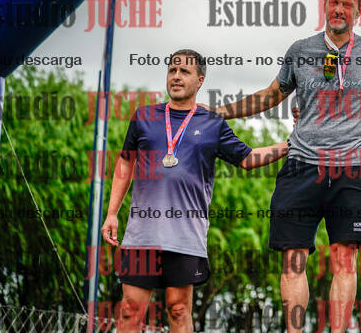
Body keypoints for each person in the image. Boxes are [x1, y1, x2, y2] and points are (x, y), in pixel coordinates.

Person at [211, 0, 361, 332]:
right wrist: (220, 113)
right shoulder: (300, 50)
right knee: (292, 260)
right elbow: (272, 95)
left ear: (360, 10)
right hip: (301, 164)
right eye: (333, 2)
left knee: (345, 260)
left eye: (347, 4)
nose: (339, 10)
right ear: (325, 5)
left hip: (350, 168)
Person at [101, 49, 288, 333]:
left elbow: (248, 158)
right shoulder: (144, 116)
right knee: (129, 310)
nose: (176, 76)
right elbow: (125, 163)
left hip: (185, 235)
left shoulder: (212, 123)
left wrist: (289, 145)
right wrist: (112, 213)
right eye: (172, 70)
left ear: (200, 80)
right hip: (142, 234)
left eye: (184, 71)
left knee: (178, 309)